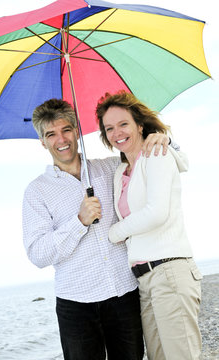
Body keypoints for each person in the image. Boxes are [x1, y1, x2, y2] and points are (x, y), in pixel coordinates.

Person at [22, 98, 185, 360]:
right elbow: (38, 254)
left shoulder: (111, 167)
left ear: (77, 131)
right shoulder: (37, 192)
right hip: (76, 304)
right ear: (42, 142)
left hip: (124, 295)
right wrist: (79, 222)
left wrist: (163, 139)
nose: (60, 139)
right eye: (51, 134)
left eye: (66, 130)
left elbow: (144, 154)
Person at [96, 90, 202, 360]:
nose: (117, 132)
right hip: (144, 280)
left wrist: (115, 233)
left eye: (123, 124)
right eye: (109, 128)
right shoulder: (121, 172)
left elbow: (157, 212)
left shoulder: (156, 154)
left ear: (140, 125)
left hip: (170, 271)